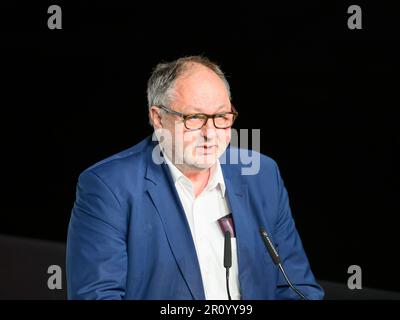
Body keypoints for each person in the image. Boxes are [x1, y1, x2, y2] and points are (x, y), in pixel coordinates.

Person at [66, 55, 324, 300]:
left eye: (222, 117)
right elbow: (97, 295)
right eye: (195, 118)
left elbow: (297, 287)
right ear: (158, 117)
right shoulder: (108, 186)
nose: (210, 133)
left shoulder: (262, 175)